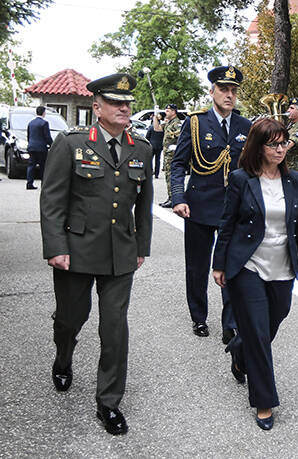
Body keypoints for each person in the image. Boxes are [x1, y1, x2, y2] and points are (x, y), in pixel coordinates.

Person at [39, 73, 153, 435]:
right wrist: (56, 247)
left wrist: (141, 248)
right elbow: (52, 201)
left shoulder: (142, 148)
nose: (124, 108)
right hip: (76, 251)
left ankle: (108, 402)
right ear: (97, 107)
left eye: (127, 103)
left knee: (115, 329)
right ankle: (63, 354)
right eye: (115, 102)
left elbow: (144, 206)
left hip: (121, 253)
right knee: (72, 318)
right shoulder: (71, 144)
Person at [212, 118, 298, 431]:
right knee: (258, 332)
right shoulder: (243, 179)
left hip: (283, 264)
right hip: (248, 265)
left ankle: (240, 353)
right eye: (274, 144)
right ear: (259, 147)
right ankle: (264, 400)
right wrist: (219, 264)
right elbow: (227, 223)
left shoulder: (295, 181)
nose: (281, 149)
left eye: (283, 143)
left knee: (276, 316)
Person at [170, 66, 252, 342]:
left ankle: (230, 322)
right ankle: (199, 316)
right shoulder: (195, 123)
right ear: (212, 92)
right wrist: (179, 198)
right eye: (224, 90)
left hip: (233, 208)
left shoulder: (245, 126)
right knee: (197, 265)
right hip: (199, 205)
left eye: (233, 91)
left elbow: (250, 167)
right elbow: (179, 164)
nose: (229, 95)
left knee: (232, 265)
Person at [159, 104, 182, 208]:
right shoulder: (168, 123)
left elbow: (179, 135)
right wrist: (156, 117)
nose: (166, 112)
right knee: (167, 175)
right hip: (167, 154)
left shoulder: (177, 123)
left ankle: (173, 198)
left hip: (173, 154)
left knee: (171, 175)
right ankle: (170, 197)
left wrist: (170, 135)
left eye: (168, 110)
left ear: (174, 112)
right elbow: (157, 128)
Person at [26, 106, 53, 190]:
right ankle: (43, 184)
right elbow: (47, 137)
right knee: (43, 166)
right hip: (41, 148)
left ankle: (29, 183)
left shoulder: (31, 123)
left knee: (31, 165)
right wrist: (52, 144)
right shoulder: (44, 123)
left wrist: (30, 144)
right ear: (44, 113)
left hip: (31, 147)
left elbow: (29, 135)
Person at [145, 111, 164, 178]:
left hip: (151, 145)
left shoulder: (151, 127)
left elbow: (147, 137)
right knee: (158, 160)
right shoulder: (162, 128)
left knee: (150, 160)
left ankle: (150, 172)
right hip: (159, 146)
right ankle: (156, 174)